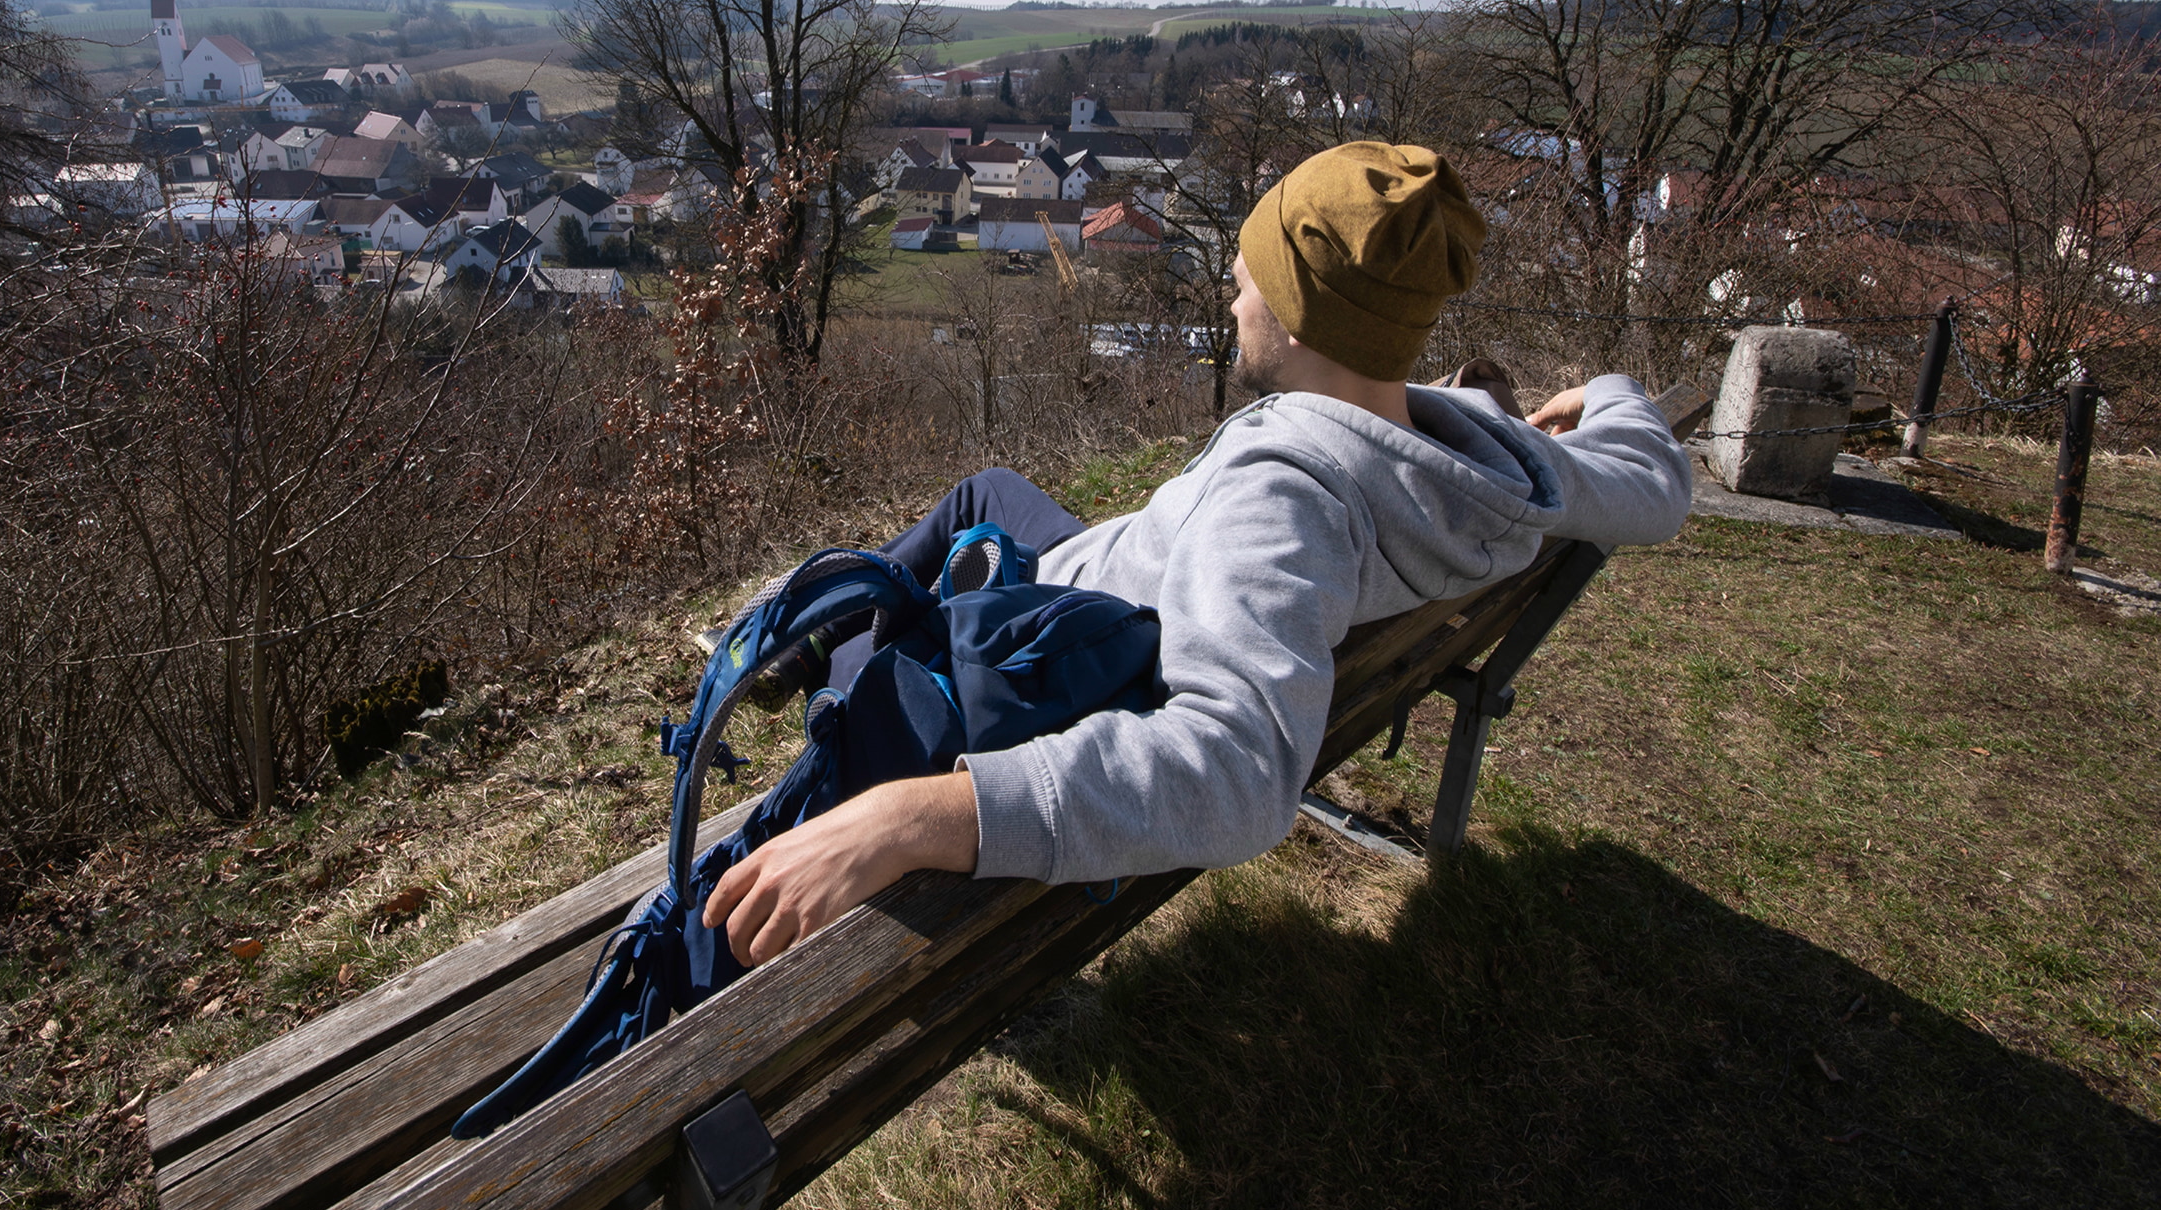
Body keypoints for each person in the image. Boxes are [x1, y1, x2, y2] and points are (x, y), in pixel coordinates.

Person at [704, 142, 1693, 966]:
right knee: (987, 490)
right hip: (1138, 574)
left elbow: (1239, 772)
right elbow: (1655, 478)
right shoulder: (1501, 459)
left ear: (1303, 311)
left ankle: (808, 668)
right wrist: (1601, 388)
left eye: (1249, 277)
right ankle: (794, 632)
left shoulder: (1284, 499)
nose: (1232, 294)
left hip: (1049, 640)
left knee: (883, 641)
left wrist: (912, 819)